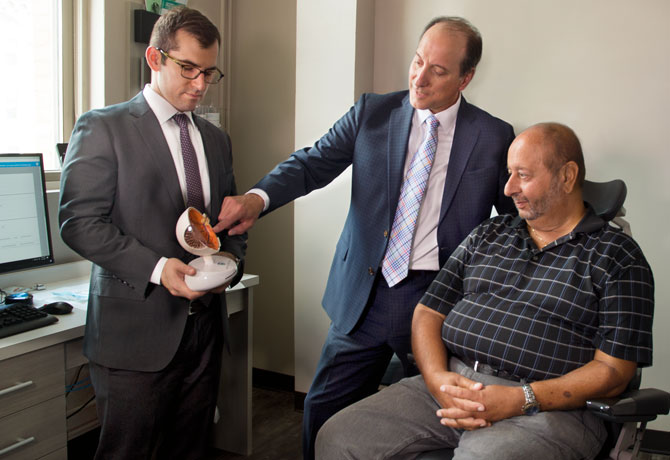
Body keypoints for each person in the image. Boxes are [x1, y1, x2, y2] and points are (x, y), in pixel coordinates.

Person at [213, 16, 516, 459]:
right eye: (418, 61)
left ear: (465, 78)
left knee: (438, 418)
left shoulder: (492, 136)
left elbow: (516, 218)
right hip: (366, 295)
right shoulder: (373, 113)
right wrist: (258, 199)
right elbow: (311, 163)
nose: (420, 77)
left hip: (438, 302)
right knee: (322, 410)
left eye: (439, 70)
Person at [315, 122, 655, 460]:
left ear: (567, 176)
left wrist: (522, 398)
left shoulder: (618, 257)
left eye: (522, 175)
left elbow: (613, 373)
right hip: (450, 386)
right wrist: (437, 380)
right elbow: (428, 312)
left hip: (547, 410)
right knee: (338, 437)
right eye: (509, 174)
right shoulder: (490, 233)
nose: (507, 189)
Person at [59, 7, 246, 459]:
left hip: (204, 334)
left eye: (209, 72)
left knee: (191, 450)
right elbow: (78, 223)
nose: (200, 84)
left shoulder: (216, 139)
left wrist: (232, 265)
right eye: (188, 69)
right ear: (154, 58)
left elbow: (231, 220)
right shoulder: (103, 127)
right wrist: (160, 269)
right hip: (134, 337)